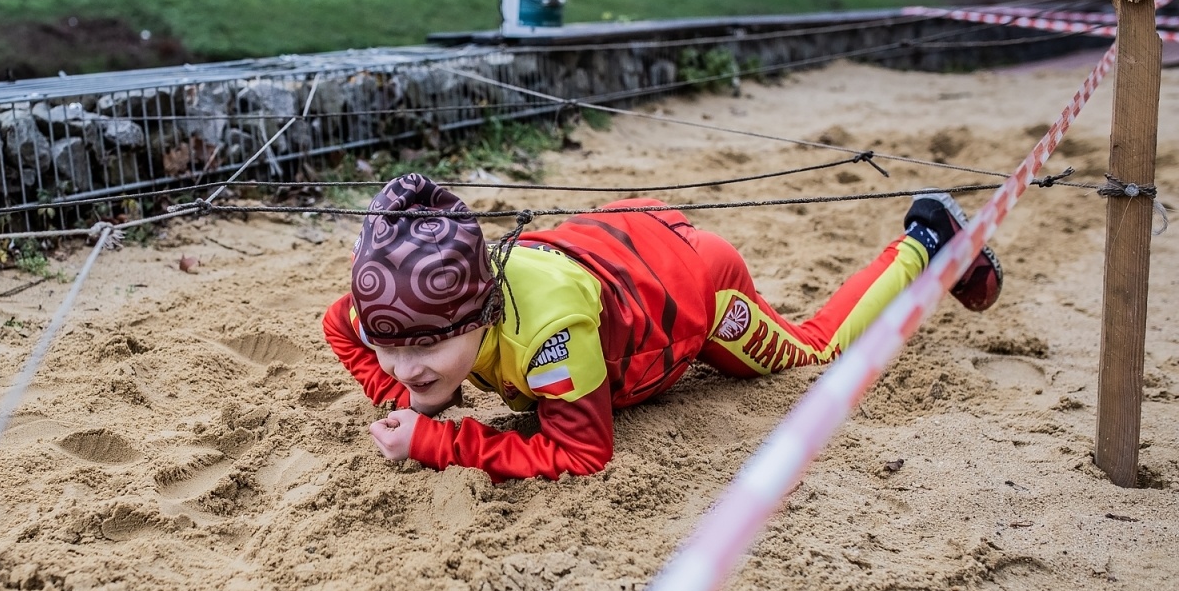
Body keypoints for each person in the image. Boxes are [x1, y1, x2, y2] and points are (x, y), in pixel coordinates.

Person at [322, 173, 1001, 482]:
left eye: (428, 346)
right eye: (387, 345)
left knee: (812, 350)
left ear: (480, 311)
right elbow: (340, 327)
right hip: (618, 243)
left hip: (695, 287)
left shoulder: (551, 337)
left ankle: (925, 240)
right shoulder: (394, 308)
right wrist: (404, 394)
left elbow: (582, 454)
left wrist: (436, 440)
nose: (401, 363)